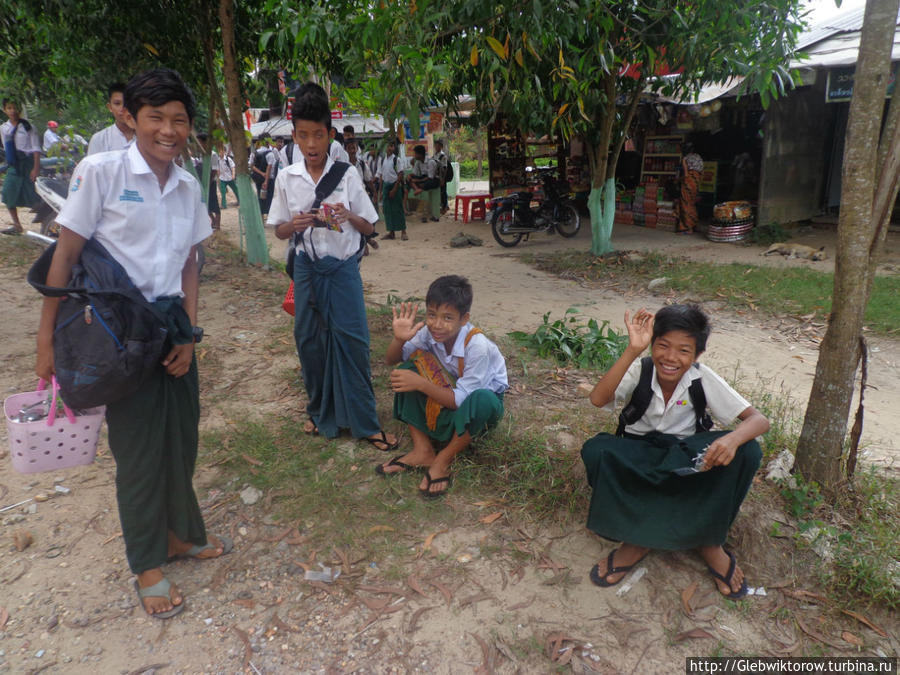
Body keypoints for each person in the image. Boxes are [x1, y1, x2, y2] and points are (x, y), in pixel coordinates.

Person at [35, 67, 229, 620]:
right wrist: (46, 341)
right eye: (156, 118)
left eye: (179, 121)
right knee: (140, 451)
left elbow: (191, 262)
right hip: (119, 328)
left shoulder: (189, 184)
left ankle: (179, 535)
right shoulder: (99, 172)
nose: (168, 131)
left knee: (180, 438)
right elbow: (64, 259)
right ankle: (147, 563)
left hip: (171, 323)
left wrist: (189, 334)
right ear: (131, 118)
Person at [580, 304, 769, 599]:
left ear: (696, 356)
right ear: (652, 344)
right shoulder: (639, 369)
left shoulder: (702, 377)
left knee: (749, 451)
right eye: (663, 346)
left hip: (684, 457)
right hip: (639, 452)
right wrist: (632, 350)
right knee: (597, 450)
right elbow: (597, 398)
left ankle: (709, 541)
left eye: (683, 350)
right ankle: (637, 539)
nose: (670, 358)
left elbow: (759, 420)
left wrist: (731, 440)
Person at [267, 83, 398, 451]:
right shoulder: (286, 177)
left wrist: (348, 214)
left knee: (354, 341)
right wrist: (294, 225)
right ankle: (318, 412)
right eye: (304, 135)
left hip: (342, 271)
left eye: (318, 135)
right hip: (307, 269)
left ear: (329, 136)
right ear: (294, 136)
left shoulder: (347, 175)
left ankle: (365, 421)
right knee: (309, 341)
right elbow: (278, 231)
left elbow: (371, 227)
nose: (311, 144)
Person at [376, 276, 508, 498]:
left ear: (464, 319)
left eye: (448, 317)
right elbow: (391, 360)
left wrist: (421, 384)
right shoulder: (430, 333)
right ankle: (422, 450)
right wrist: (399, 339)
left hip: (477, 407)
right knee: (408, 368)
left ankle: (443, 459)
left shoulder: (478, 346)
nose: (437, 324)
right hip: (447, 389)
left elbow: (461, 400)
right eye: (431, 315)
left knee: (482, 399)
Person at [1, 98, 41, 235]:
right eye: (9, 108)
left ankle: (49, 221)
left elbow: (36, 148)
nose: (12, 111)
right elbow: (6, 147)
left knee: (32, 195)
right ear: (5, 110)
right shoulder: (3, 128)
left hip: (27, 163)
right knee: (7, 192)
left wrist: (35, 168)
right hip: (14, 164)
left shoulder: (28, 127)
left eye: (15, 108)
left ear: (19, 109)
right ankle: (17, 225)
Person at [346, 138, 379, 251]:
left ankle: (366, 240)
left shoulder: (362, 164)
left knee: (366, 220)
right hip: (349, 197)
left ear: (356, 149)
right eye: (349, 148)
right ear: (345, 150)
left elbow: (368, 180)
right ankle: (365, 243)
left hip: (362, 195)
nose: (352, 150)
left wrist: (374, 193)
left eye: (353, 148)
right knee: (355, 221)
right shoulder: (344, 166)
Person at [87, 82, 135, 155]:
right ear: (110, 107)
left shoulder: (146, 137)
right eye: (117, 103)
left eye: (127, 103)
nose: (122, 108)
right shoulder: (99, 139)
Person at [376, 137, 407, 240]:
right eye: (388, 145)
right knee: (387, 210)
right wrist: (380, 191)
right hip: (385, 185)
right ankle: (391, 232)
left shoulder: (396, 159)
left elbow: (400, 174)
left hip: (394, 185)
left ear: (394, 148)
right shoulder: (381, 159)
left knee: (398, 208)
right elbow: (381, 176)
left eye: (391, 146)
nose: (389, 148)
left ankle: (403, 231)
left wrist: (394, 189)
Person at [408, 144, 440, 223]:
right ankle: (417, 189)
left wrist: (417, 181)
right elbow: (415, 174)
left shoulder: (430, 162)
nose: (414, 155)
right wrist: (409, 176)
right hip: (423, 178)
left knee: (426, 183)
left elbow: (430, 177)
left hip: (433, 179)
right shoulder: (418, 162)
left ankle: (420, 188)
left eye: (415, 153)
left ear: (420, 154)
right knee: (409, 180)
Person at [195, 133, 220, 230]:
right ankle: (212, 221)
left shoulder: (213, 154)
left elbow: (214, 170)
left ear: (204, 142)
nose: (198, 144)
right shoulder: (202, 154)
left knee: (214, 203)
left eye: (199, 142)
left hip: (210, 183)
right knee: (205, 203)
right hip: (203, 183)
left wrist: (208, 182)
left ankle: (217, 225)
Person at [678, 142, 703, 234]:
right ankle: (694, 225)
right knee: (692, 203)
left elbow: (686, 175)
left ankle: (687, 228)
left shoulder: (685, 159)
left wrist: (678, 180)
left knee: (686, 204)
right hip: (696, 182)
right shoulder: (698, 157)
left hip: (688, 183)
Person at [217, 142, 239, 208]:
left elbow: (233, 167)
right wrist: (218, 176)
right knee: (223, 192)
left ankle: (239, 201)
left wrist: (233, 175)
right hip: (222, 178)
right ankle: (224, 205)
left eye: (221, 151)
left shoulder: (228, 159)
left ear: (224, 151)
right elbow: (218, 169)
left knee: (235, 190)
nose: (220, 153)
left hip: (230, 178)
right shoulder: (218, 160)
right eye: (219, 151)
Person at [432, 139, 450, 213]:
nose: (436, 147)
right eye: (435, 145)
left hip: (442, 177)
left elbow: (445, 168)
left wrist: (443, 179)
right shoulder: (435, 155)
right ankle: (444, 205)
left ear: (441, 146)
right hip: (436, 176)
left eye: (438, 145)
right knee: (440, 192)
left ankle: (444, 207)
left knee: (443, 192)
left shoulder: (443, 156)